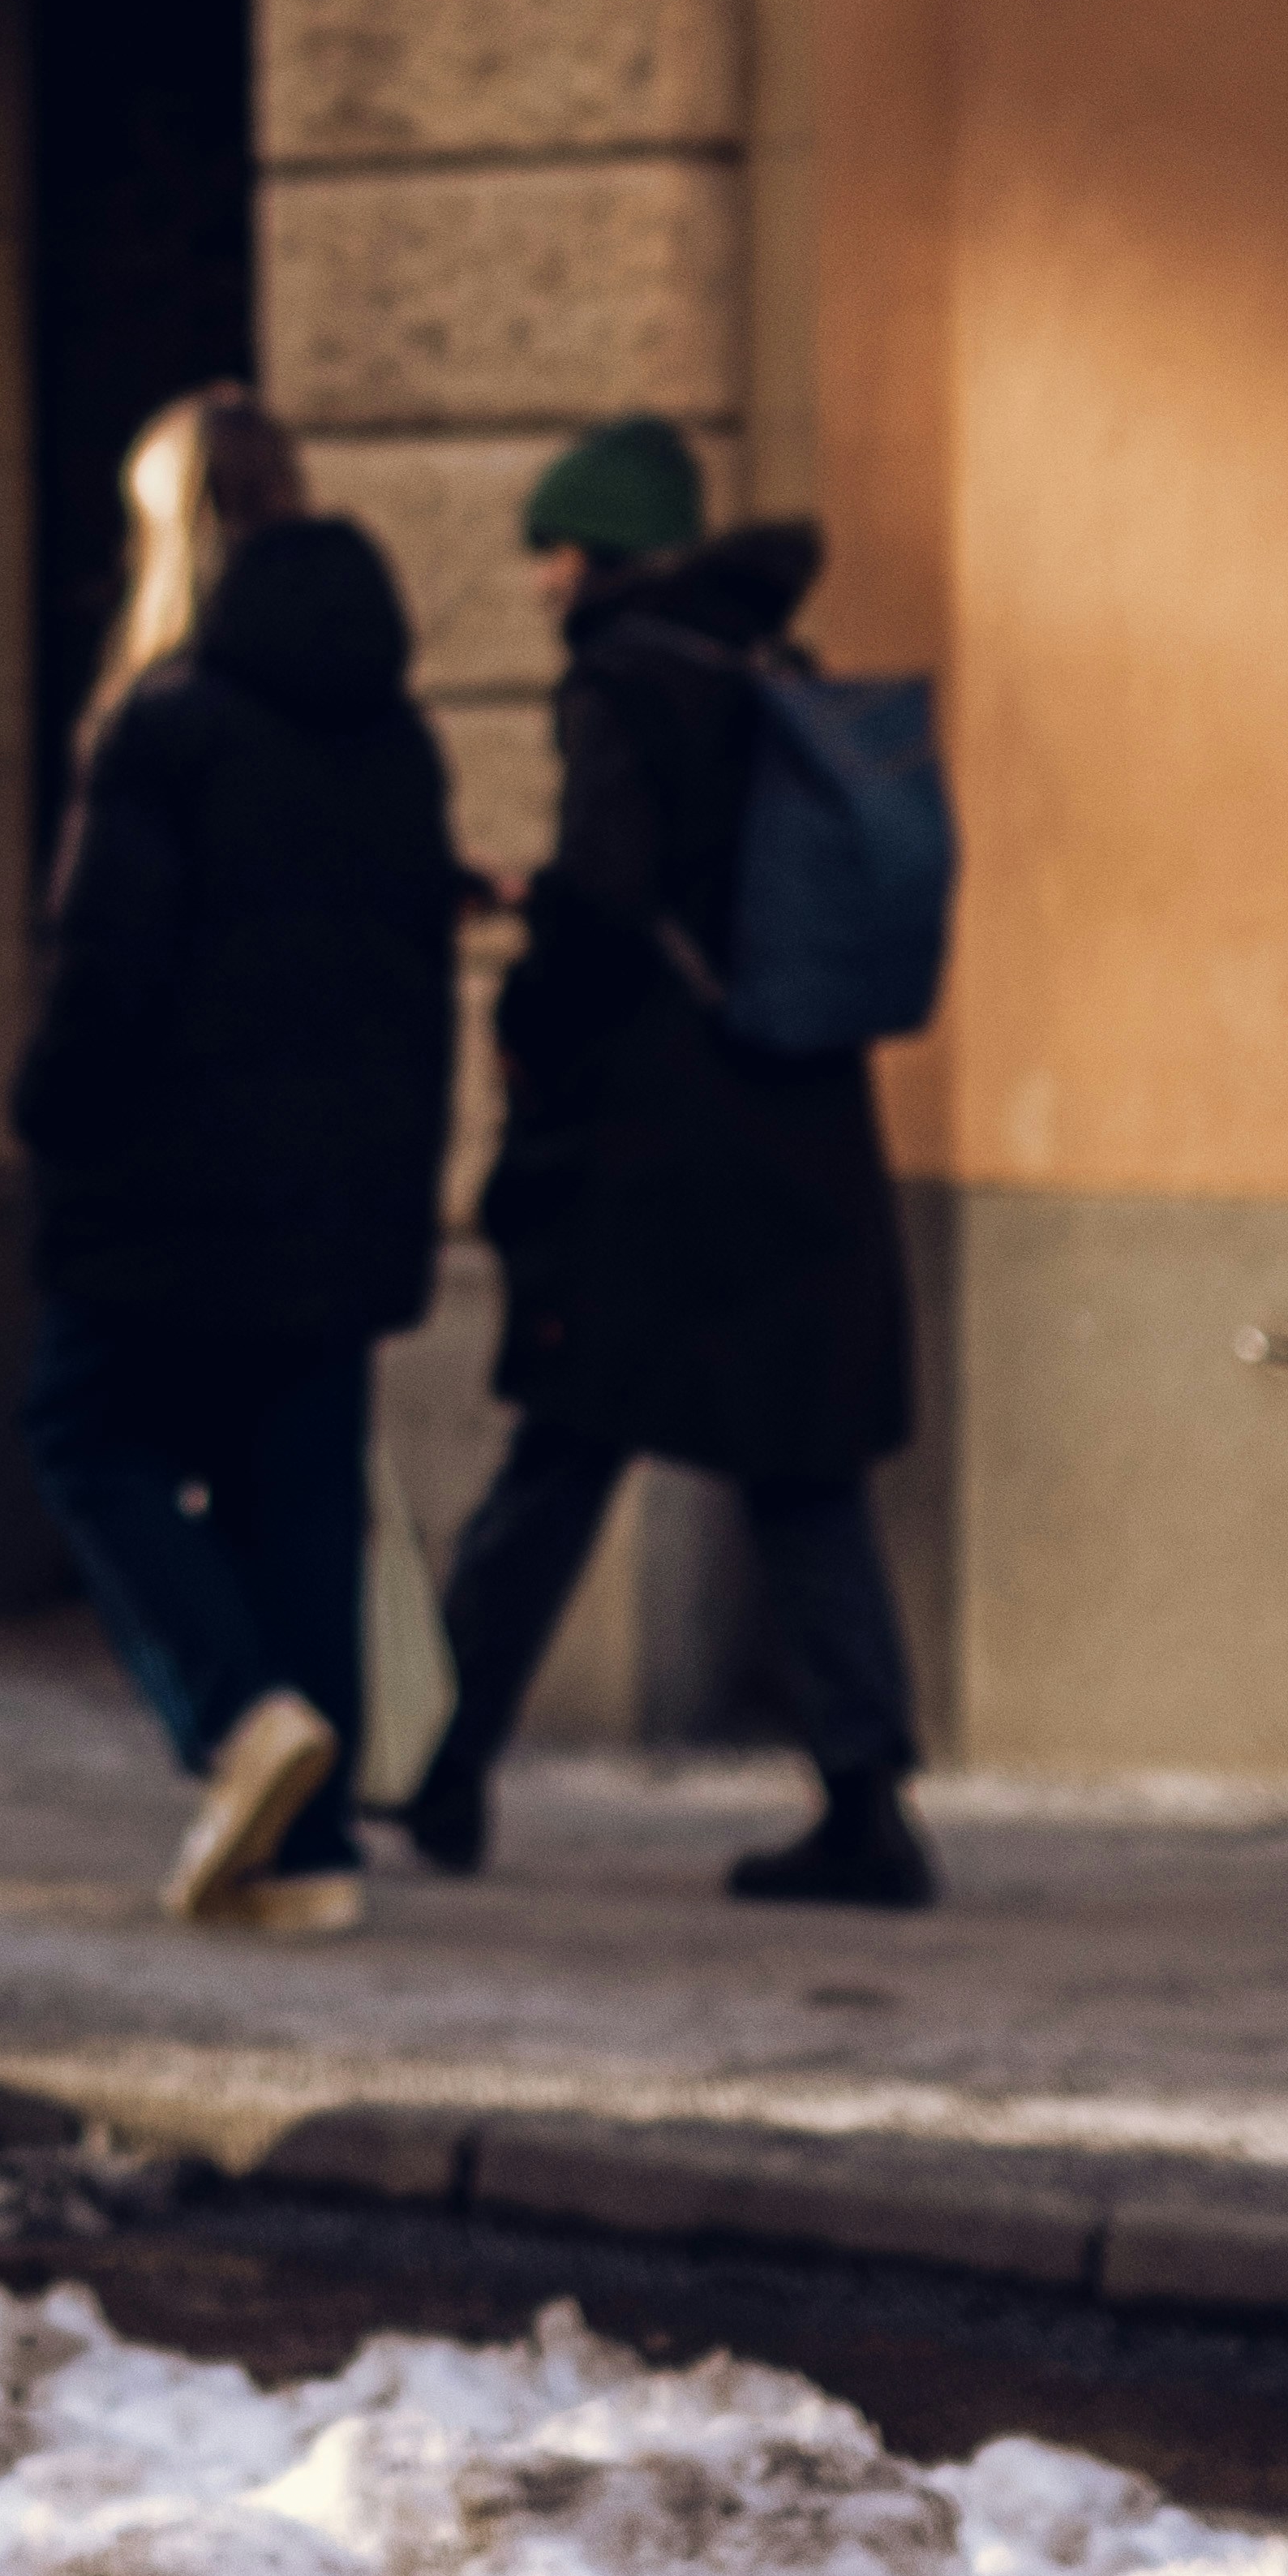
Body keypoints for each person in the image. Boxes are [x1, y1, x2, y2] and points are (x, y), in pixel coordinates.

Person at [395, 415, 937, 1912]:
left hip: (656, 1153)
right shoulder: (769, 671)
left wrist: (526, 1006)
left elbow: (615, 894)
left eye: (554, 551)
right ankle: (867, 1794)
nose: (542, 582)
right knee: (803, 1473)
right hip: (800, 1128)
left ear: (601, 558)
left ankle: (442, 1763)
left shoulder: (622, 680)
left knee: (556, 1451)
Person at [13, 386, 460, 1937]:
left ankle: (239, 1717)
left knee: (82, 1435)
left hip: (167, 1185)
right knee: (299, 1498)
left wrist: (46, 1112)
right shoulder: (393, 733)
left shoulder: (169, 723)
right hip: (341, 1193)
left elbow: (108, 977)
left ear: (175, 531)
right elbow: (417, 982)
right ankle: (309, 1862)